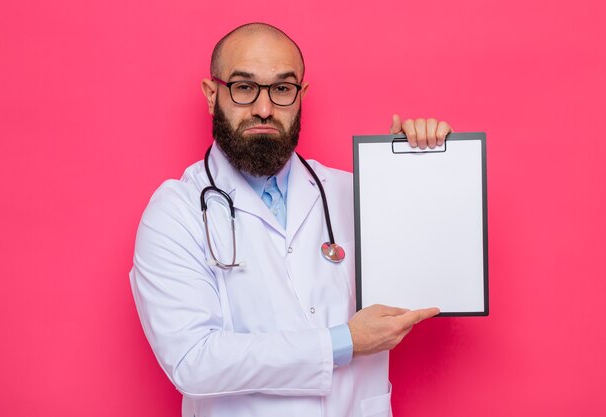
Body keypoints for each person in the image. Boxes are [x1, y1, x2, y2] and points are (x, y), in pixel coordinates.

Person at [130, 22, 452, 417]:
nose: (264, 109)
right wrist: (343, 341)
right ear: (212, 95)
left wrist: (415, 169)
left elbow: (433, 262)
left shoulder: (357, 193)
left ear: (301, 95)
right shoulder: (175, 212)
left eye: (282, 89)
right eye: (244, 87)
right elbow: (193, 360)